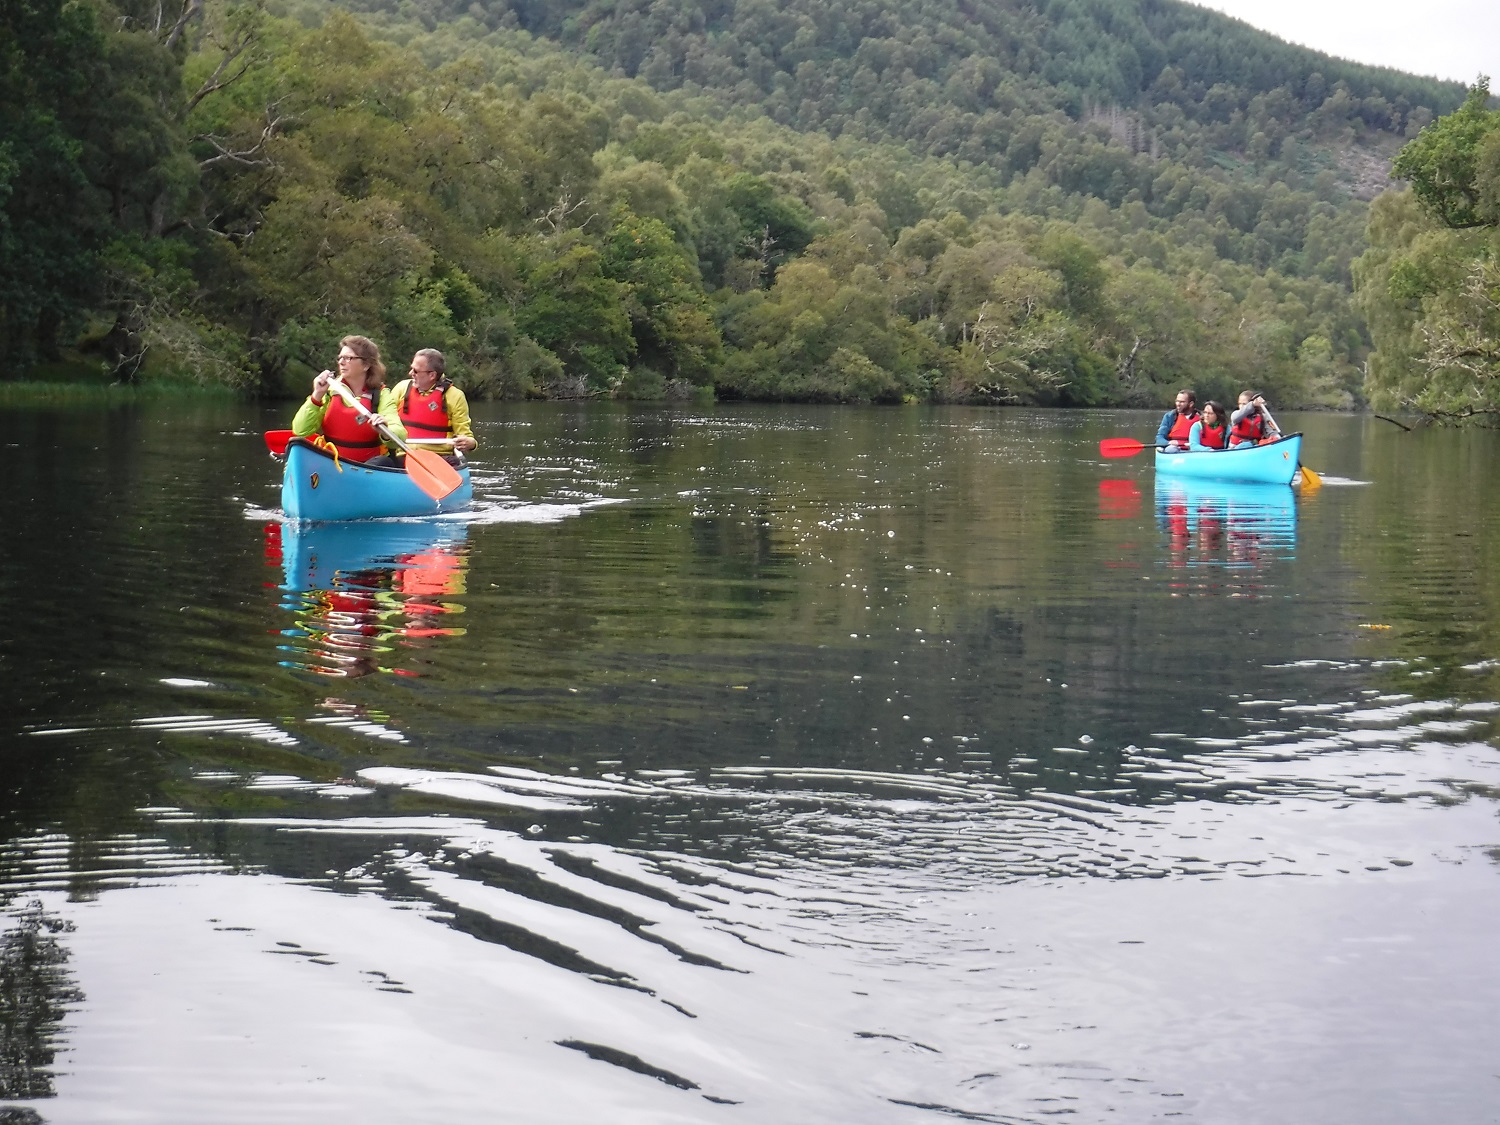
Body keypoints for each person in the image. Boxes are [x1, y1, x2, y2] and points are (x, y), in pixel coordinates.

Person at [291, 336, 405, 463]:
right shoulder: (329, 391)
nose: (341, 362)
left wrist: (386, 429)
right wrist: (317, 394)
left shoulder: (381, 395)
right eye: (340, 358)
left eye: (348, 358)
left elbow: (400, 435)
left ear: (366, 365)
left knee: (384, 462)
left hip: (368, 468)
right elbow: (300, 431)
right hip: (331, 463)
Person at [376, 349, 476, 468]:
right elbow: (388, 417)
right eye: (412, 368)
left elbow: (465, 435)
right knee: (378, 462)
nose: (410, 373)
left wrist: (470, 443)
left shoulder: (454, 396)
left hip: (439, 458)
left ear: (432, 375)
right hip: (404, 455)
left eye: (416, 371)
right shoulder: (402, 388)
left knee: (450, 464)